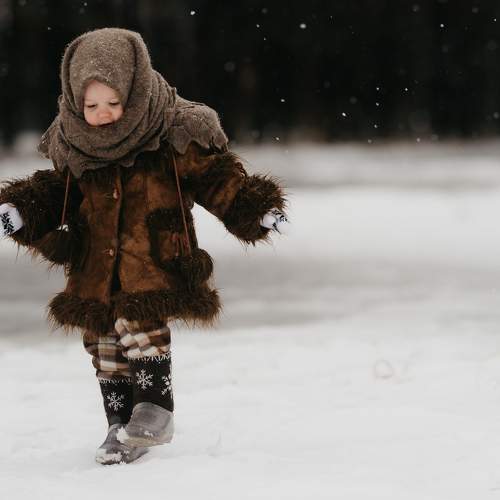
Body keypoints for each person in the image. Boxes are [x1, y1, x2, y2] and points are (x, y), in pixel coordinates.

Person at [0, 28, 288, 465]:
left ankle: (155, 408)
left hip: (153, 255)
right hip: (94, 262)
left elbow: (215, 178)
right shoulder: (74, 141)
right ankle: (118, 423)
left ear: (134, 91)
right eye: (91, 106)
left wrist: (254, 207)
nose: (102, 115)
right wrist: (21, 209)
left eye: (113, 103)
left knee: (140, 326)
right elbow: (55, 191)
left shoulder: (171, 130)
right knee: (103, 342)